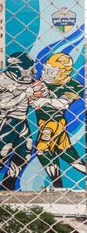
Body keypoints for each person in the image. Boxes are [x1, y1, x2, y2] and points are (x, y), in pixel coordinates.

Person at [0, 52, 41, 190]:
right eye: (28, 70)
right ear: (16, 70)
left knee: (26, 151)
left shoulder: (31, 81)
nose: (31, 73)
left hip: (23, 119)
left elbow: (37, 99)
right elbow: (4, 105)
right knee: (2, 153)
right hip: (7, 120)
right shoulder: (2, 80)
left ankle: (10, 180)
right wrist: (24, 94)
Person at [31, 52, 85, 188]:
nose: (46, 72)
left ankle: (58, 185)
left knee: (42, 150)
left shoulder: (74, 85)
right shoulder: (41, 83)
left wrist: (43, 101)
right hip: (42, 123)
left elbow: (63, 103)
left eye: (51, 70)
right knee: (67, 153)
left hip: (54, 122)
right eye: (46, 68)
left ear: (63, 73)